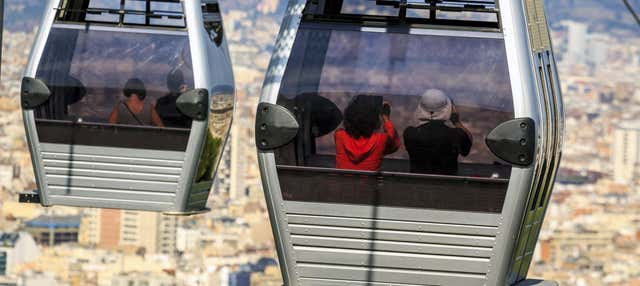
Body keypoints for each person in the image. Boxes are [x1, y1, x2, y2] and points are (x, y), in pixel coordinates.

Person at [403, 89, 472, 175]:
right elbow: (466, 149)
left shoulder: (410, 133)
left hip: (418, 185)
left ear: (420, 108)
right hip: (447, 186)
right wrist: (456, 121)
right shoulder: (456, 135)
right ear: (449, 109)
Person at [335, 95, 401, 171]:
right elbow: (394, 145)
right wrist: (386, 118)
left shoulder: (339, 135)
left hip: (342, 182)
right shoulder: (381, 140)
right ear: (373, 118)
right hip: (370, 183)